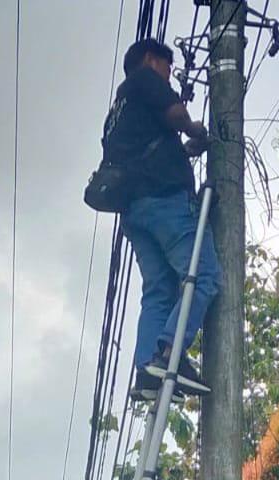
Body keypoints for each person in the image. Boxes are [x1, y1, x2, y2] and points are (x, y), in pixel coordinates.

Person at [100, 37, 222, 403]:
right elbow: (176, 115)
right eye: (168, 68)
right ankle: (170, 354)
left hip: (136, 212)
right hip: (165, 201)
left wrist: (184, 151)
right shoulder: (145, 79)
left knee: (158, 290)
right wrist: (196, 129)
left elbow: (144, 152)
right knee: (203, 275)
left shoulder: (117, 112)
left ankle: (147, 373)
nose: (169, 76)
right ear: (152, 60)